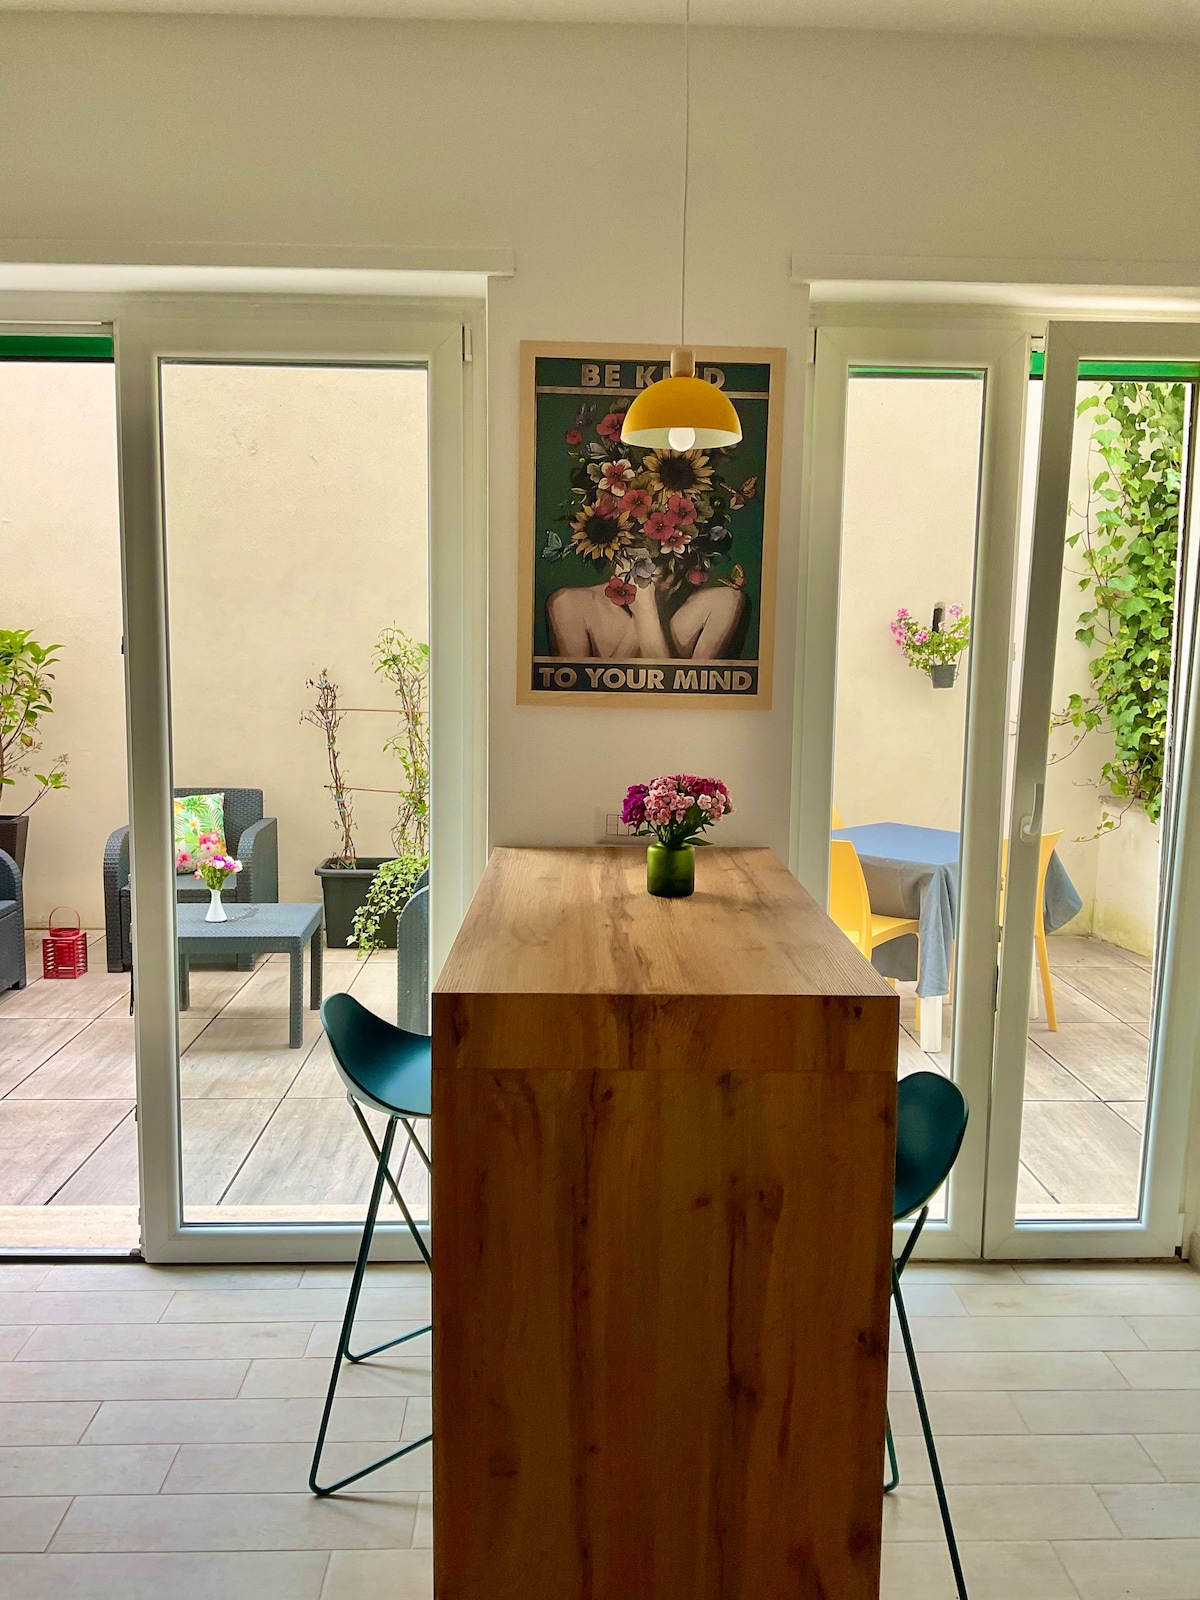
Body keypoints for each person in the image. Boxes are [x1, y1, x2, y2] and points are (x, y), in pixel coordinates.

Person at [548, 575, 745, 661]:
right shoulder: (569, 603)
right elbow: (585, 700)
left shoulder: (722, 601)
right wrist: (644, 609)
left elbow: (686, 699)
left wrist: (648, 611)